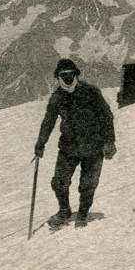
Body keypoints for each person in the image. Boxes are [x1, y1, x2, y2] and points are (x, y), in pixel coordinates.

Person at [34, 59, 116, 225]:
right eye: (64, 75)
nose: (68, 78)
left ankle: (83, 214)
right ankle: (64, 211)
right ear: (58, 77)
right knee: (59, 182)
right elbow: (49, 120)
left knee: (88, 184)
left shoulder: (91, 92)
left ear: (76, 74)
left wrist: (110, 142)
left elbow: (106, 117)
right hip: (68, 148)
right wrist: (40, 143)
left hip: (93, 147)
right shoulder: (57, 97)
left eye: (71, 74)